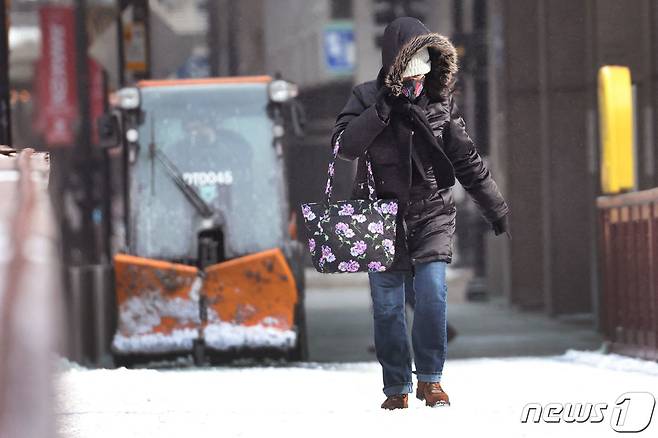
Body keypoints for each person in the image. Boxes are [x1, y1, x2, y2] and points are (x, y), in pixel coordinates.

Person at [330, 17, 510, 410]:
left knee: (432, 291)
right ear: (395, 63)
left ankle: (431, 380)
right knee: (388, 304)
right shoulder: (364, 97)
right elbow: (345, 146)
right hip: (379, 216)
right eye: (412, 65)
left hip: (432, 211)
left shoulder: (440, 102)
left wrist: (495, 208)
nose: (419, 75)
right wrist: (381, 110)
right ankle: (396, 385)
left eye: (426, 64)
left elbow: (466, 159)